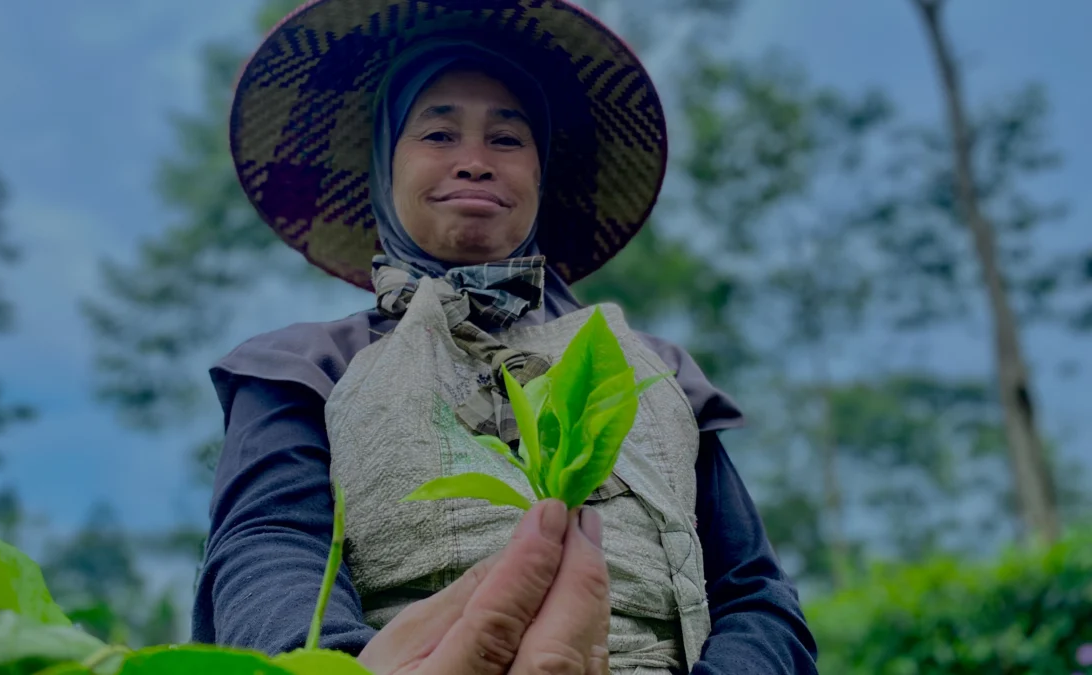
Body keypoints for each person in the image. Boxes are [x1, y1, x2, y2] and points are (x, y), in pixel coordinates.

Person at [192, 1, 818, 673]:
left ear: (539, 176)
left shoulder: (654, 374)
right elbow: (269, 547)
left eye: (507, 138)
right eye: (437, 134)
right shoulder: (303, 367)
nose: (474, 161)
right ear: (385, 166)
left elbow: (755, 595)